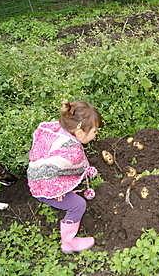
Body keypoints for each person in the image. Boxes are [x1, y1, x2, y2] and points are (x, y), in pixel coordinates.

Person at [27, 101, 102, 253]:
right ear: (80, 133)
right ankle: (68, 243)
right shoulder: (72, 151)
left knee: (71, 166)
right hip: (45, 186)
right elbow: (61, 165)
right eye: (94, 131)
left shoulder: (59, 129)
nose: (96, 135)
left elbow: (58, 162)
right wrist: (56, 191)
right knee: (78, 205)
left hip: (38, 171)